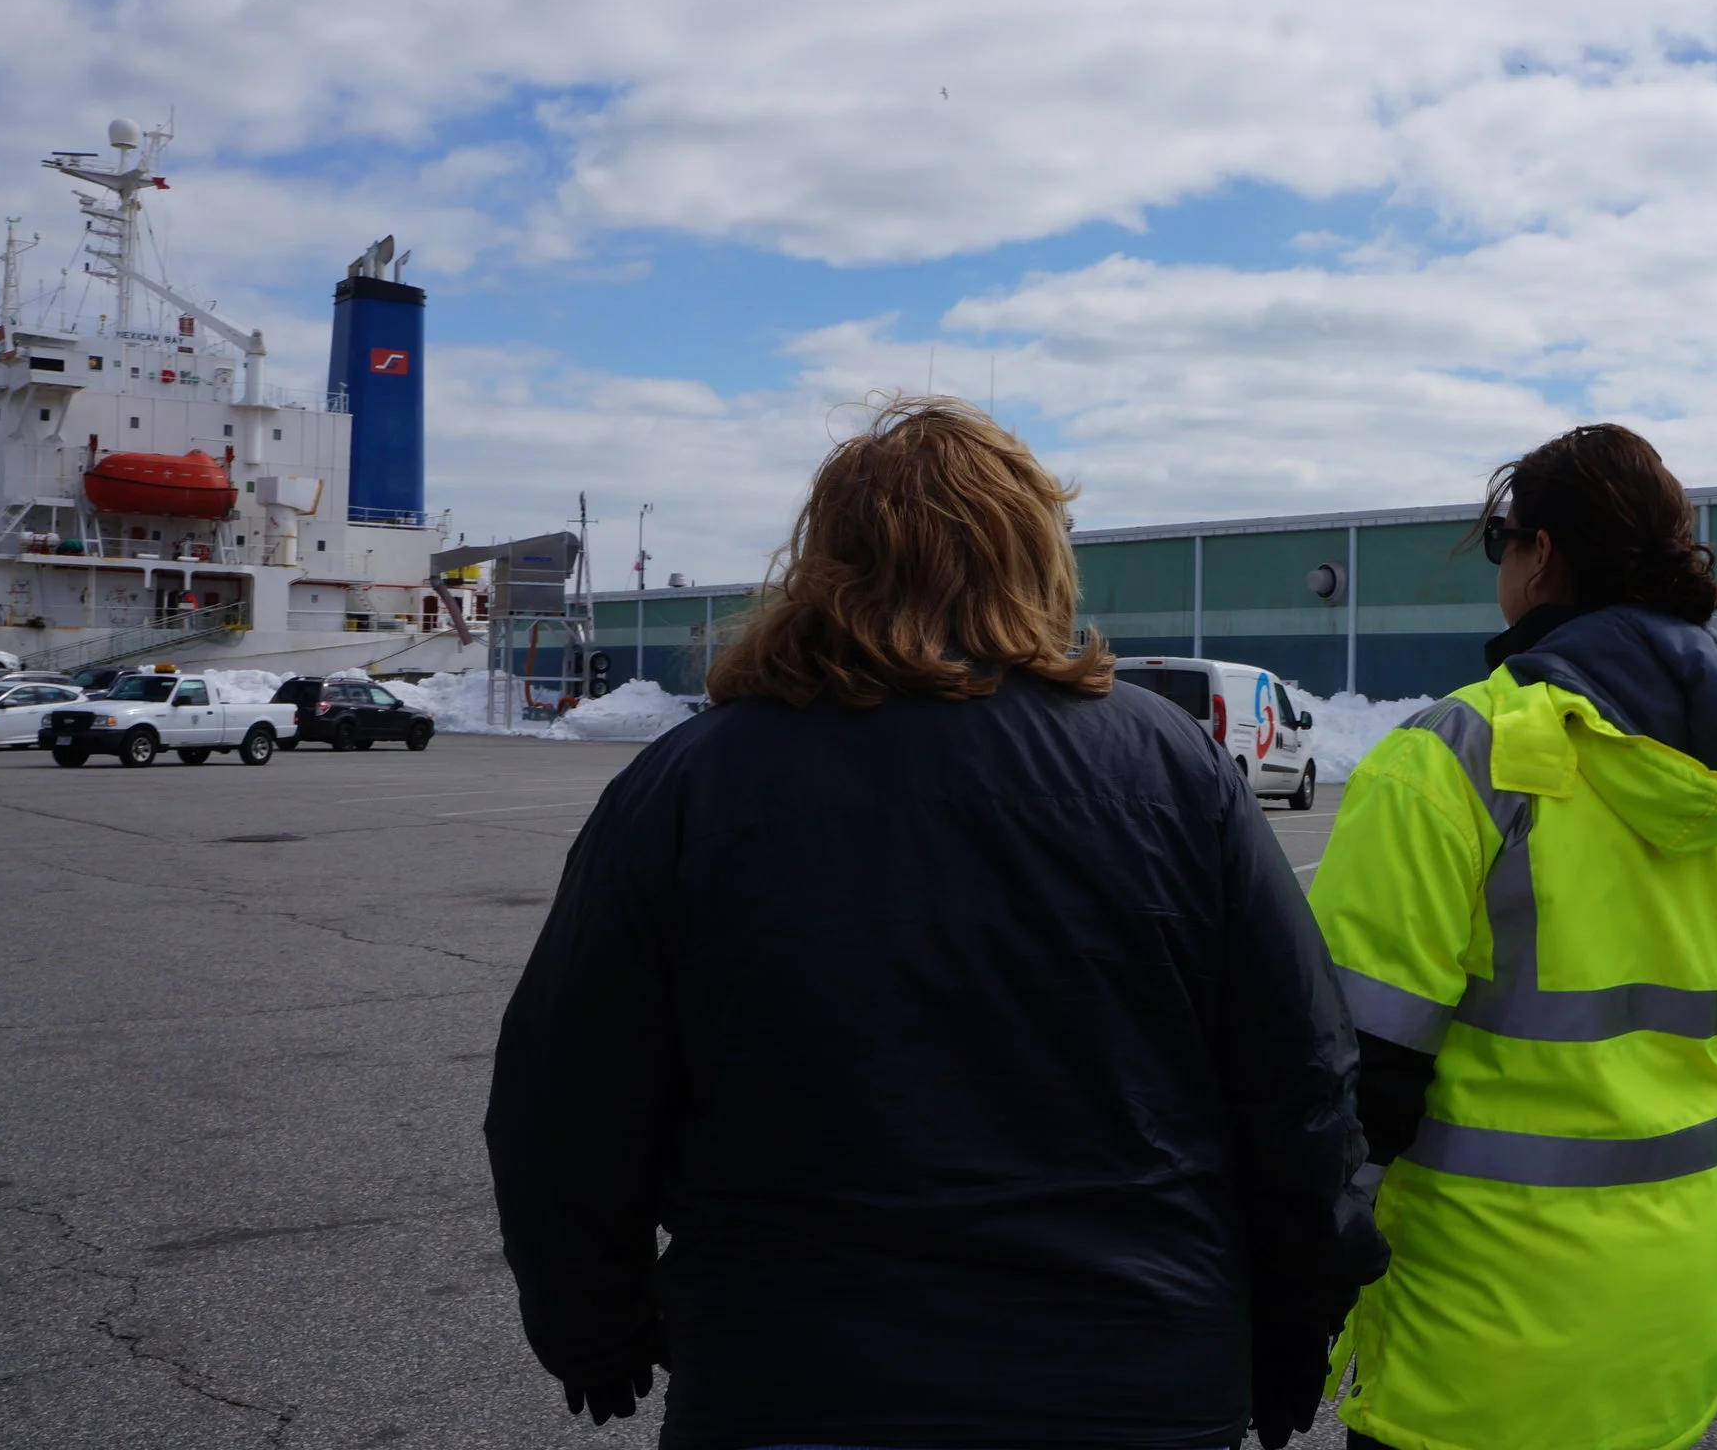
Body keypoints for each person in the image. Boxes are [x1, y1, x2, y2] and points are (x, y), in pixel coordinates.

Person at [485, 397, 1387, 1450]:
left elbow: (565, 1094)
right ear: (1034, 556)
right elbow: (1301, 1082)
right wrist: (1290, 1321)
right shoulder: (1172, 767)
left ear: (826, 563)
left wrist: (588, 1320)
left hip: (796, 1378)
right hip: (1131, 1372)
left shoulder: (689, 783)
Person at [1307, 423, 1717, 1450]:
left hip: (1468, 1356)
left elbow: (1350, 1074)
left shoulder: (1453, 758)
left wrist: (1298, 1278)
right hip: (1666, 1338)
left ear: (1539, 552)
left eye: (1504, 537)